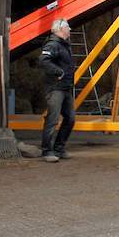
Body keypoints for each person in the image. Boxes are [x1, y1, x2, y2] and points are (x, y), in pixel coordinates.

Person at [38, 18, 75, 163]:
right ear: (60, 29)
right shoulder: (53, 44)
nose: (70, 29)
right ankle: (47, 151)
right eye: (68, 27)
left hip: (65, 88)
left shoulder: (65, 45)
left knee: (70, 119)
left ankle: (59, 148)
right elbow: (43, 60)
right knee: (52, 120)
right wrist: (58, 72)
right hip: (55, 88)